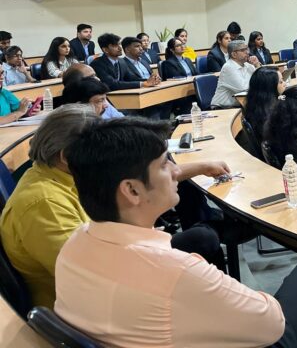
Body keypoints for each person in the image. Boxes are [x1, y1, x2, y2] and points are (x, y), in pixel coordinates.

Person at [56, 117, 297, 348]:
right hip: (266, 330)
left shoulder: (74, 246)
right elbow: (272, 324)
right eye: (164, 165)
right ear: (132, 190)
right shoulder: (176, 272)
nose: (176, 171)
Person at [0, 106, 228, 310]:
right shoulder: (43, 203)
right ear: (67, 157)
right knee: (201, 241)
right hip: (91, 308)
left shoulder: (66, 175)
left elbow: (147, 178)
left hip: (112, 273)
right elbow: (89, 275)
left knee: (199, 244)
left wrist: (201, 167)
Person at [92, 33, 158, 91]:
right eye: (115, 45)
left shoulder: (121, 61)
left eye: (119, 44)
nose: (120, 48)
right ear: (105, 50)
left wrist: (151, 80)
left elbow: (132, 78)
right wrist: (143, 84)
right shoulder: (97, 64)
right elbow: (112, 84)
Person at [242, 68, 285, 154]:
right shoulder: (271, 114)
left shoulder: (257, 106)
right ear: (270, 87)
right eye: (281, 82)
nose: (285, 84)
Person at [211, 41, 256, 108]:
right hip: (221, 107)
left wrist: (257, 65)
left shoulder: (248, 65)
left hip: (239, 105)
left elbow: (261, 80)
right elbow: (243, 88)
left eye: (247, 49)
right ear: (234, 54)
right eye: (243, 50)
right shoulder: (228, 67)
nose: (247, 52)